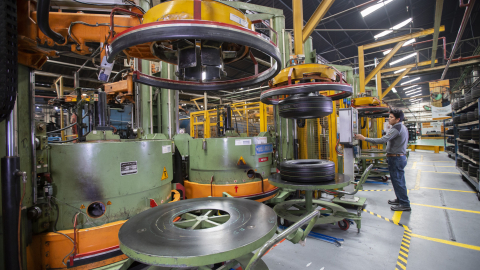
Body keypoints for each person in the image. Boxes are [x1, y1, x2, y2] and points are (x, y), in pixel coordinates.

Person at [354, 109, 411, 211]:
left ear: (398, 119)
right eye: (389, 116)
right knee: (397, 180)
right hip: (398, 157)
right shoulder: (402, 127)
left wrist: (364, 138)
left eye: (391, 117)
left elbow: (382, 140)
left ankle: (405, 204)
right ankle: (400, 199)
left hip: (396, 158)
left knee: (398, 181)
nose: (389, 118)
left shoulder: (396, 128)